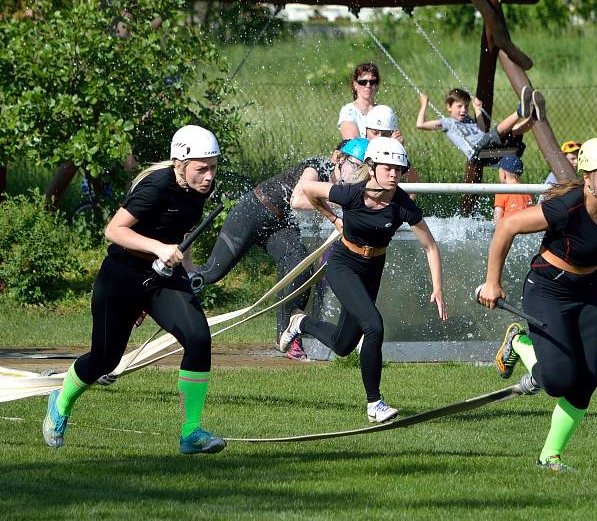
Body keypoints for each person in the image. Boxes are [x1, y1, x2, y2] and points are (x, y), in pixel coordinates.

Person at [43, 125, 226, 454]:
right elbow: (113, 231)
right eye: (202, 168)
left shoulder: (200, 190)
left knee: (198, 337)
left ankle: (191, 432)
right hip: (123, 275)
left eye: (213, 167)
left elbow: (180, 235)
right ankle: (61, 401)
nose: (209, 176)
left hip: (164, 276)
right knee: (105, 359)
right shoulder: (155, 186)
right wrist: (158, 248)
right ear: (179, 163)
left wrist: (187, 267)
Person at [478, 137, 597, 472]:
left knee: (586, 382)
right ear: (587, 179)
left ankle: (549, 457)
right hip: (547, 290)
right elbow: (508, 226)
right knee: (556, 380)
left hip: (589, 291)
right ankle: (519, 342)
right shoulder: (566, 207)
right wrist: (493, 282)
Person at [280, 137, 448, 423]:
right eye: (387, 168)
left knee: (343, 345)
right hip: (343, 264)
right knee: (374, 325)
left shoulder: (402, 203)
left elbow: (430, 245)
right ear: (371, 167)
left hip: (372, 269)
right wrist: (334, 219)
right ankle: (375, 403)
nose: (394, 174)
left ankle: (300, 322)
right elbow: (307, 189)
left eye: (399, 169)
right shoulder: (351, 194)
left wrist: (438, 287)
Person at [195, 139, 371, 361]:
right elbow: (298, 200)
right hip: (253, 211)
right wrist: (344, 204)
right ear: (339, 159)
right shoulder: (317, 167)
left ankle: (286, 338)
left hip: (279, 225)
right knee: (212, 273)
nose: (357, 174)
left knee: (300, 268)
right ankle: (165, 293)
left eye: (363, 169)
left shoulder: (347, 185)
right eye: (354, 166)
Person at [415, 86, 540, 164]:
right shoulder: (447, 123)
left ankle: (534, 116)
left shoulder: (468, 119)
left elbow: (481, 129)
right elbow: (420, 125)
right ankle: (520, 112)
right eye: (459, 106)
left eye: (466, 106)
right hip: (477, 153)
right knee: (496, 133)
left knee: (513, 132)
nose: (463, 110)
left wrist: (477, 109)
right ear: (449, 107)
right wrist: (424, 104)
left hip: (490, 151)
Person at [338, 62, 382, 140]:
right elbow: (354, 145)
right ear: (355, 85)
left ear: (377, 86)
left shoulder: (383, 111)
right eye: (363, 82)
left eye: (372, 82)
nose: (368, 86)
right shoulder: (349, 111)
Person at [493, 155, 532, 222]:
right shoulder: (527, 191)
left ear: (503, 174)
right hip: (525, 226)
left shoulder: (502, 191)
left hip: (509, 228)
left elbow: (498, 217)